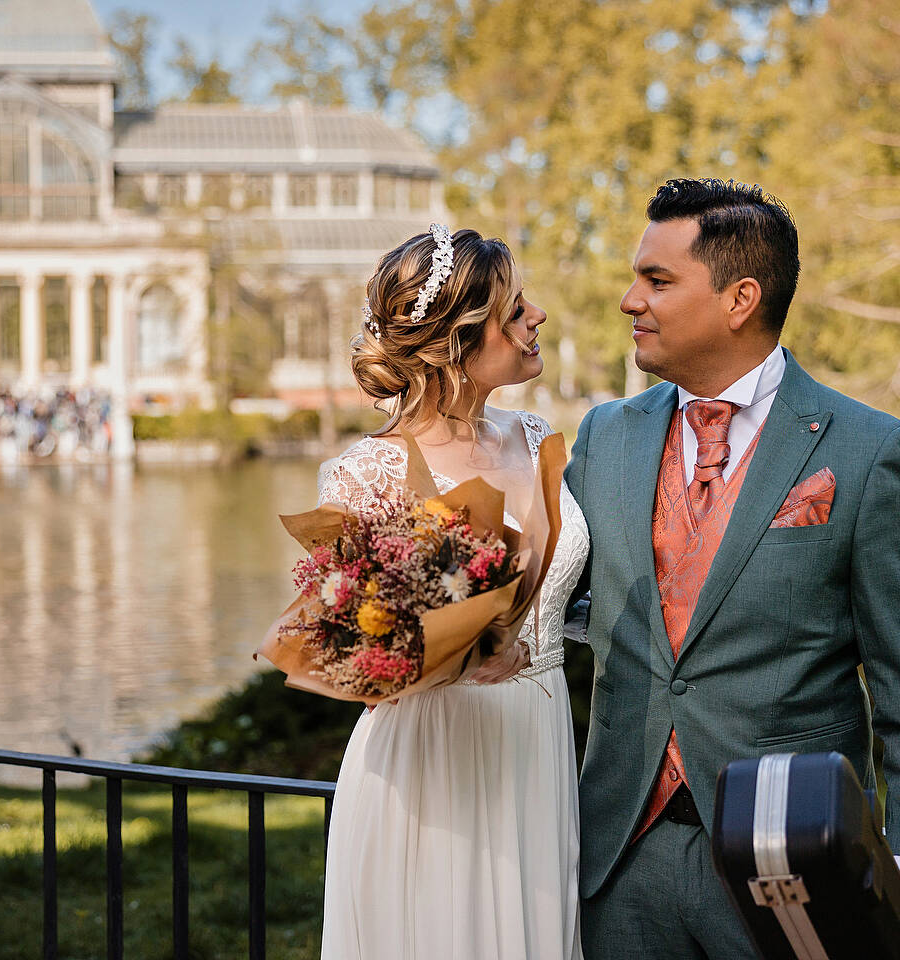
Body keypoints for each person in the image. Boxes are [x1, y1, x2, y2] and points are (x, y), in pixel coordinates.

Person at [566, 178, 900, 958]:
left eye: (657, 280)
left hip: (792, 857)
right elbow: (565, 606)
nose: (629, 300)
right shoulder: (604, 436)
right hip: (621, 859)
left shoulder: (869, 451)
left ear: (740, 299)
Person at [318, 224, 587, 960]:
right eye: (515, 308)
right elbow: (353, 653)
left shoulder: (536, 436)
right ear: (458, 344)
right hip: (433, 766)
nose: (537, 316)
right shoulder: (367, 474)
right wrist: (457, 657)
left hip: (537, 747)